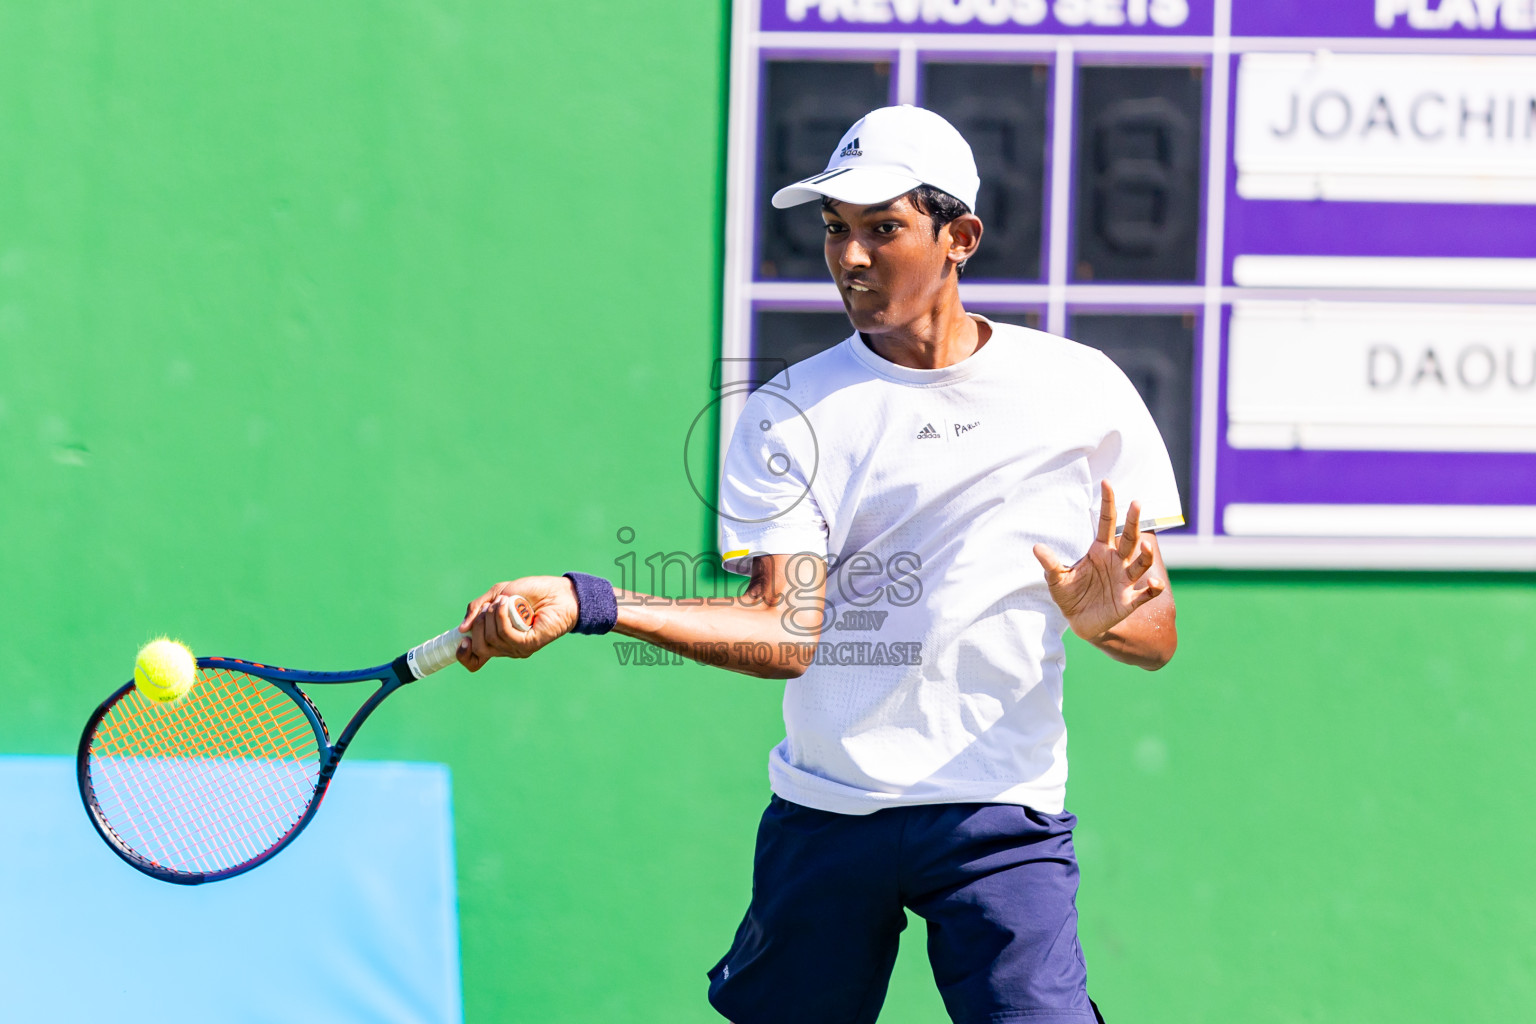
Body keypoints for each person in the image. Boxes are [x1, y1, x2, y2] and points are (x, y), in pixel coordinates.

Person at [455, 104, 1183, 1024]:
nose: (850, 258)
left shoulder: (1081, 391)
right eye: (837, 229)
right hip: (828, 813)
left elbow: (1155, 636)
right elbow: (787, 631)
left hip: (1000, 816)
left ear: (959, 237)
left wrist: (1101, 617)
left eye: (884, 229)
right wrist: (590, 601)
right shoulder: (789, 410)